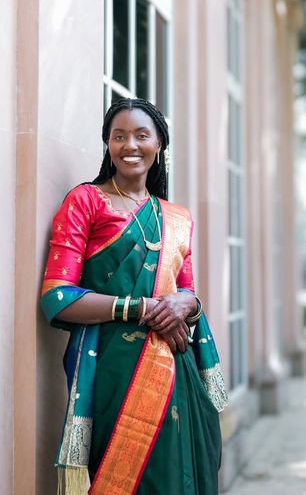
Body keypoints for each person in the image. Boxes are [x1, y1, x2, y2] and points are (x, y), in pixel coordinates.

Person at [41, 98, 228, 495]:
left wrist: (188, 305)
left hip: (175, 368)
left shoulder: (177, 217)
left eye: (141, 135)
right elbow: (56, 297)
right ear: (107, 144)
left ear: (159, 143)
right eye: (118, 136)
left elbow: (187, 293)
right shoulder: (86, 202)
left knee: (177, 476)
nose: (130, 145)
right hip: (112, 371)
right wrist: (140, 308)